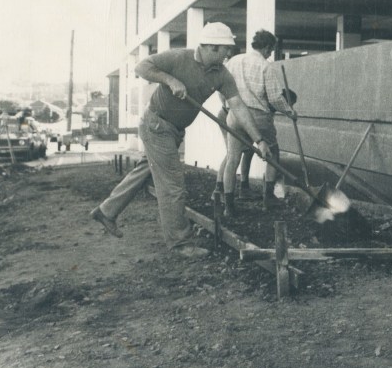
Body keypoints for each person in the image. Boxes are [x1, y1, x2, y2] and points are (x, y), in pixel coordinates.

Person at [89, 22, 273, 258]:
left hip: (174, 130)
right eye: (225, 49)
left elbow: (237, 105)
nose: (228, 54)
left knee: (145, 171)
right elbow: (142, 67)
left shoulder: (221, 74)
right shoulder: (179, 58)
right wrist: (170, 80)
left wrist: (259, 140)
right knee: (173, 185)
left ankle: (107, 211)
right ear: (211, 47)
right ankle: (180, 243)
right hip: (157, 124)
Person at [216, 29, 295, 217]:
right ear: (267, 47)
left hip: (234, 114)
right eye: (270, 50)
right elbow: (275, 98)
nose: (270, 53)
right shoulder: (265, 66)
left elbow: (220, 89)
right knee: (273, 153)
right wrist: (290, 111)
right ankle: (268, 198)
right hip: (258, 115)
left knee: (232, 157)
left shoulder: (233, 62)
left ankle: (229, 206)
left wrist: (226, 106)